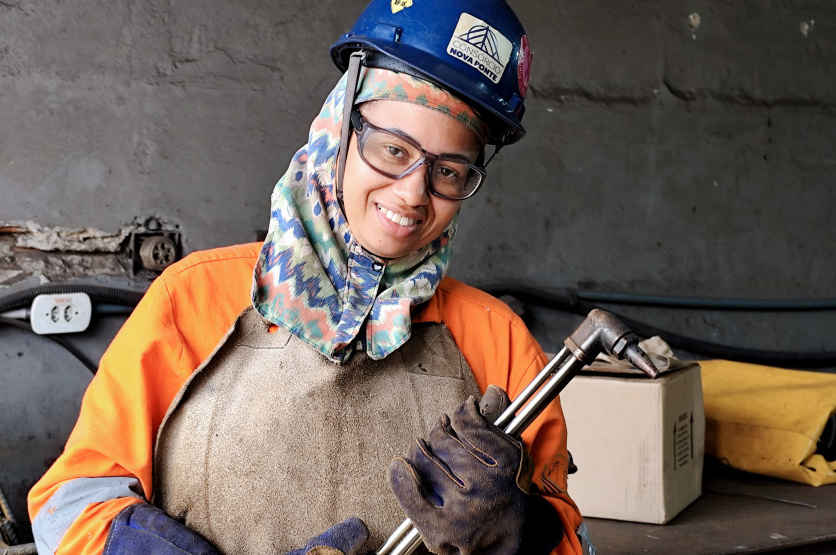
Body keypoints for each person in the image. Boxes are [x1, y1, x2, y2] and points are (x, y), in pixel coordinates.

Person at [28, 1, 586, 554]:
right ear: (338, 128)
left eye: (448, 171)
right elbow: (68, 503)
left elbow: (572, 541)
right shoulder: (190, 300)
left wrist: (522, 532)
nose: (413, 193)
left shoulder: (497, 340)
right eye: (393, 150)